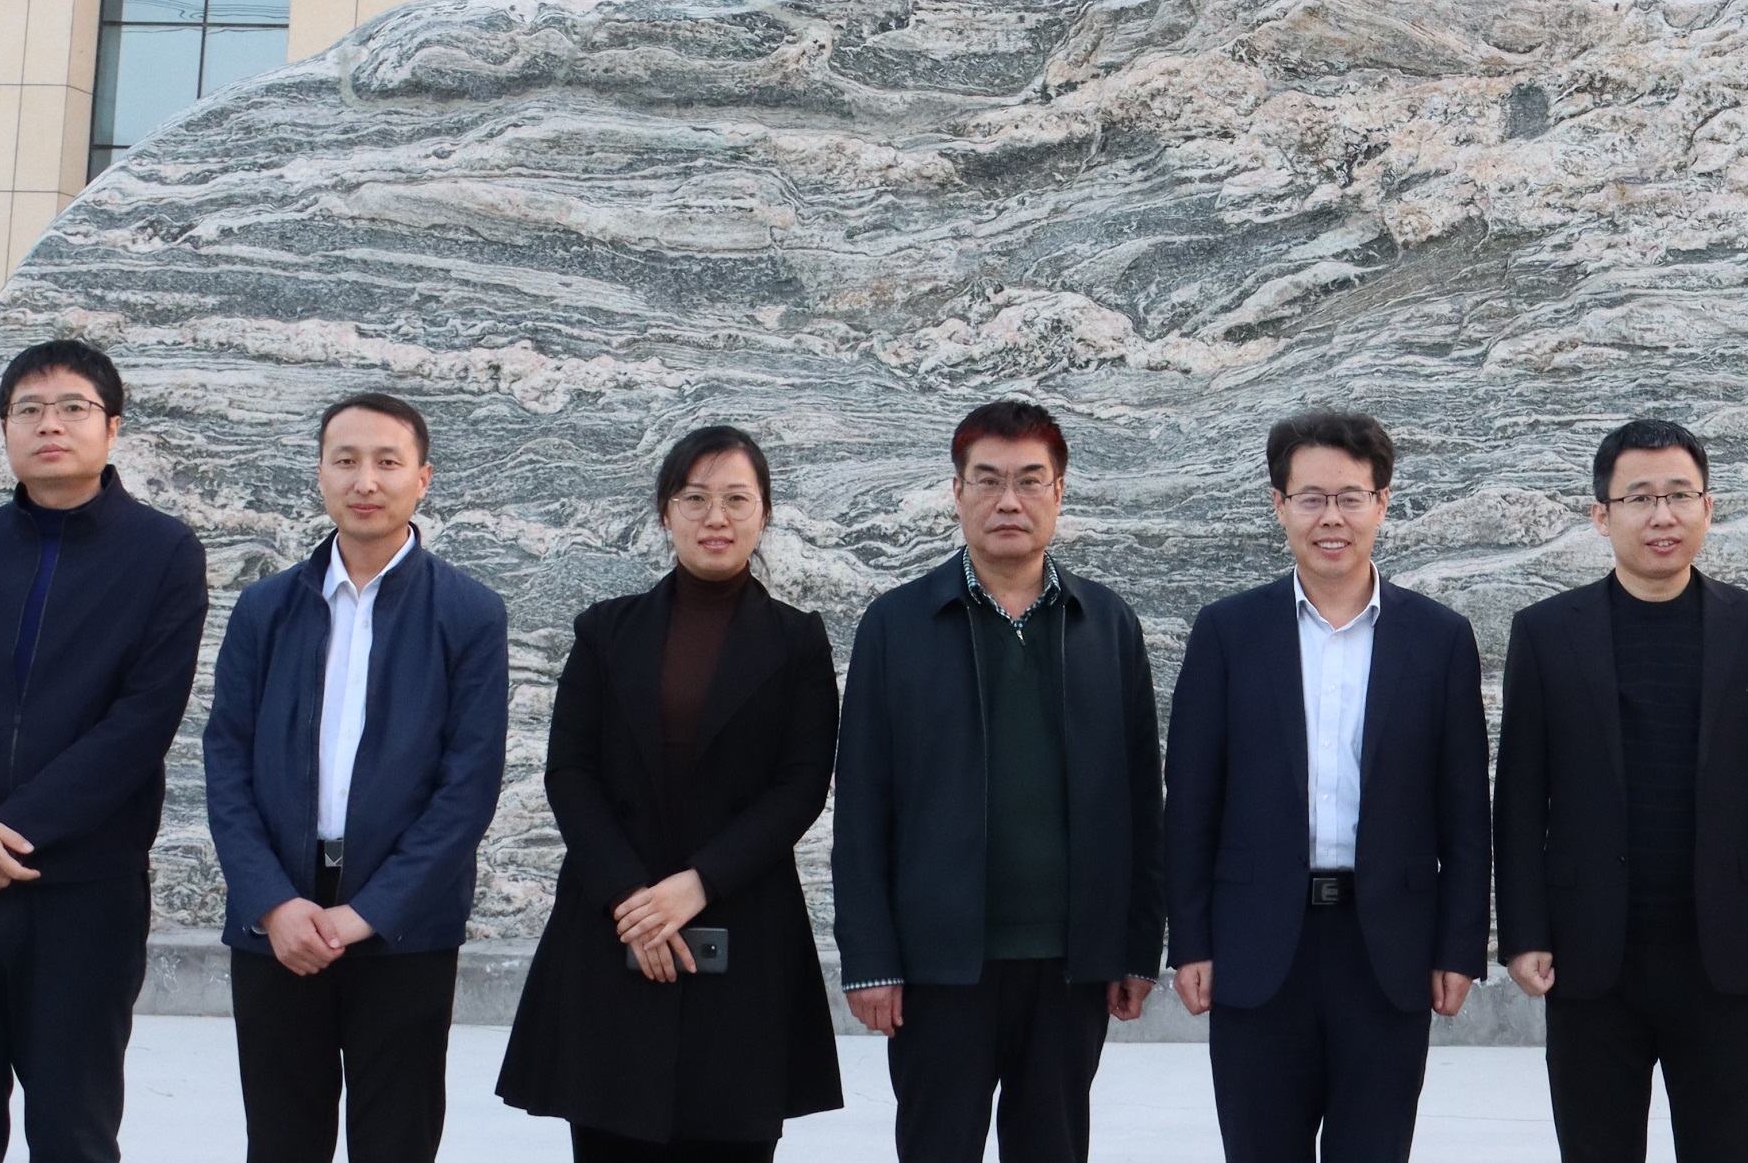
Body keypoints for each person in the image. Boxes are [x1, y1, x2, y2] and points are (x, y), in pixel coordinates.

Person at [0, 338, 212, 1163]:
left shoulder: (163, 553)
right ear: (3, 429)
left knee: (73, 1129)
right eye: (28, 410)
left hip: (82, 890)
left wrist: (10, 832)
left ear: (112, 427)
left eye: (72, 408)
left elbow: (141, 721)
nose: (49, 425)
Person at [495, 425, 844, 1163]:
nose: (716, 517)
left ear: (763, 513)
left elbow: (801, 786)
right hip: (611, 925)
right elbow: (570, 772)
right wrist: (633, 902)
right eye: (694, 498)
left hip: (743, 925)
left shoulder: (797, 641)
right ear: (665, 513)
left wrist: (697, 885)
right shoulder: (605, 631)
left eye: (736, 499)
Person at [831, 399, 1164, 1163]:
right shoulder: (896, 626)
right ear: (956, 493)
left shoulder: (1108, 625)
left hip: (1071, 965)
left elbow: (1141, 804)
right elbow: (862, 807)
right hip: (939, 967)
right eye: (987, 480)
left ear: (1059, 492)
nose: (1007, 500)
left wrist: (1136, 948)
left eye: (1028, 480)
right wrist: (871, 959)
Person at [1163, 409, 1489, 1163]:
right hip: (1256, 946)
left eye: (1350, 497)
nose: (1331, 517)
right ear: (1279, 505)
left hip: (1387, 952)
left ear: (1382, 503)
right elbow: (1191, 801)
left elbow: (1466, 812)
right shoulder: (1228, 632)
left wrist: (1460, 945)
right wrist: (1191, 940)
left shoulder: (1439, 639)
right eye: (1310, 498)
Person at [203, 391, 512, 1163]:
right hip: (277, 926)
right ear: (320, 473)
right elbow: (227, 761)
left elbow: (467, 787)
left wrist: (368, 913)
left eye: (387, 462)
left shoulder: (469, 614)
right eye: (345, 461)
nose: (364, 480)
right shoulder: (265, 608)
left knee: (396, 1141)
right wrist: (273, 904)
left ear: (423, 479)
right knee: (281, 1142)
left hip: (404, 929)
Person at [1496, 416, 1748, 1163]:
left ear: (1708, 506)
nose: (1661, 515)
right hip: (1590, 956)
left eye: (1679, 495)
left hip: (1722, 951)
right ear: (1601, 515)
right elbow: (1519, 800)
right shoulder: (1546, 632)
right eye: (1638, 498)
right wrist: (1525, 932)